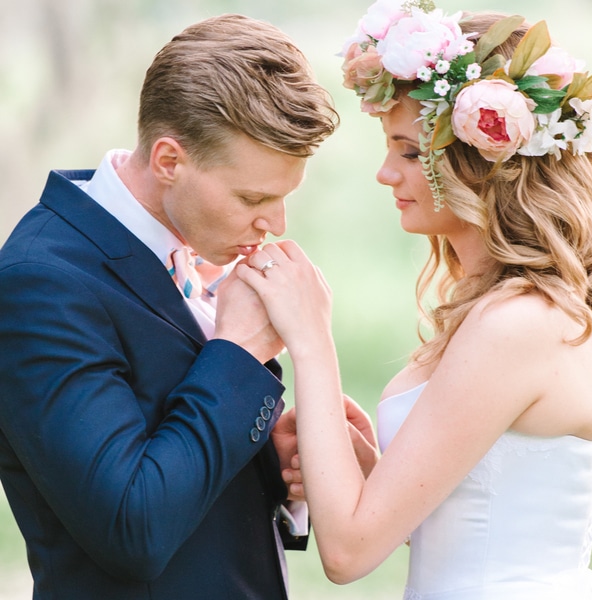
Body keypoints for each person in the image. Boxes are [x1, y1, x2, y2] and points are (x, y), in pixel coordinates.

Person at [0, 13, 378, 600]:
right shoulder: (42, 283)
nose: (275, 225)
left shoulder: (187, 247)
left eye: (284, 198)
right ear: (170, 161)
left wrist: (271, 467)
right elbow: (132, 527)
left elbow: (179, 465)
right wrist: (241, 351)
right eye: (253, 197)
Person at [235, 1, 592, 598]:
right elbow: (473, 524)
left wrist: (311, 343)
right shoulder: (500, 309)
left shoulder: (520, 324)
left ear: (482, 162)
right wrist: (363, 470)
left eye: (408, 150)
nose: (384, 173)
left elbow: (349, 553)